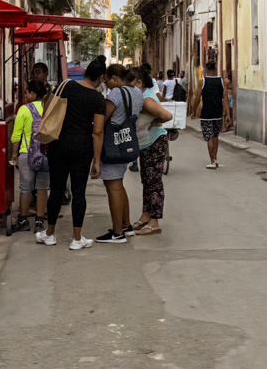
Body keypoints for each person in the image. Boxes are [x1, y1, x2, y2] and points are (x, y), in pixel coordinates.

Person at [95, 65, 169, 243]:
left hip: (140, 143)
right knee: (140, 182)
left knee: (149, 183)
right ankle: (138, 220)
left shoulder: (133, 96)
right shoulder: (137, 94)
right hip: (136, 142)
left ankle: (142, 225)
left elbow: (166, 115)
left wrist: (155, 123)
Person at [44, 55, 108, 250]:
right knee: (79, 192)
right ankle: (76, 238)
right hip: (82, 148)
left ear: (85, 72)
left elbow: (47, 106)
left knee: (56, 189)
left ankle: (50, 234)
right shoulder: (97, 99)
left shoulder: (66, 85)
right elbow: (97, 131)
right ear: (101, 77)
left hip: (58, 144)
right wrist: (97, 161)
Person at [132, 68, 175, 236]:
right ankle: (146, 215)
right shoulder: (142, 95)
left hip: (155, 143)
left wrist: (156, 120)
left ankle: (154, 221)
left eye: (131, 82)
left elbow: (167, 115)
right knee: (146, 180)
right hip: (146, 144)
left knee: (154, 182)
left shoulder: (146, 99)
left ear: (139, 82)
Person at [11, 79, 51, 237]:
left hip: (27, 154)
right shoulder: (48, 109)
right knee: (42, 188)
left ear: (34, 94)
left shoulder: (24, 110)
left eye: (27, 92)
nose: (25, 94)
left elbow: (16, 135)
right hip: (46, 154)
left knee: (25, 188)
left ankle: (23, 220)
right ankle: (40, 220)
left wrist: (14, 155)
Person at [199, 54, 225, 169]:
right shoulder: (221, 81)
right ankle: (215, 158)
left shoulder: (202, 81)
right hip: (218, 113)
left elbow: (196, 97)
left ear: (205, 69)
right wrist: (227, 114)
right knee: (215, 136)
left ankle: (212, 161)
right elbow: (226, 98)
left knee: (209, 137)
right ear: (215, 68)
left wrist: (194, 111)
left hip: (206, 114)